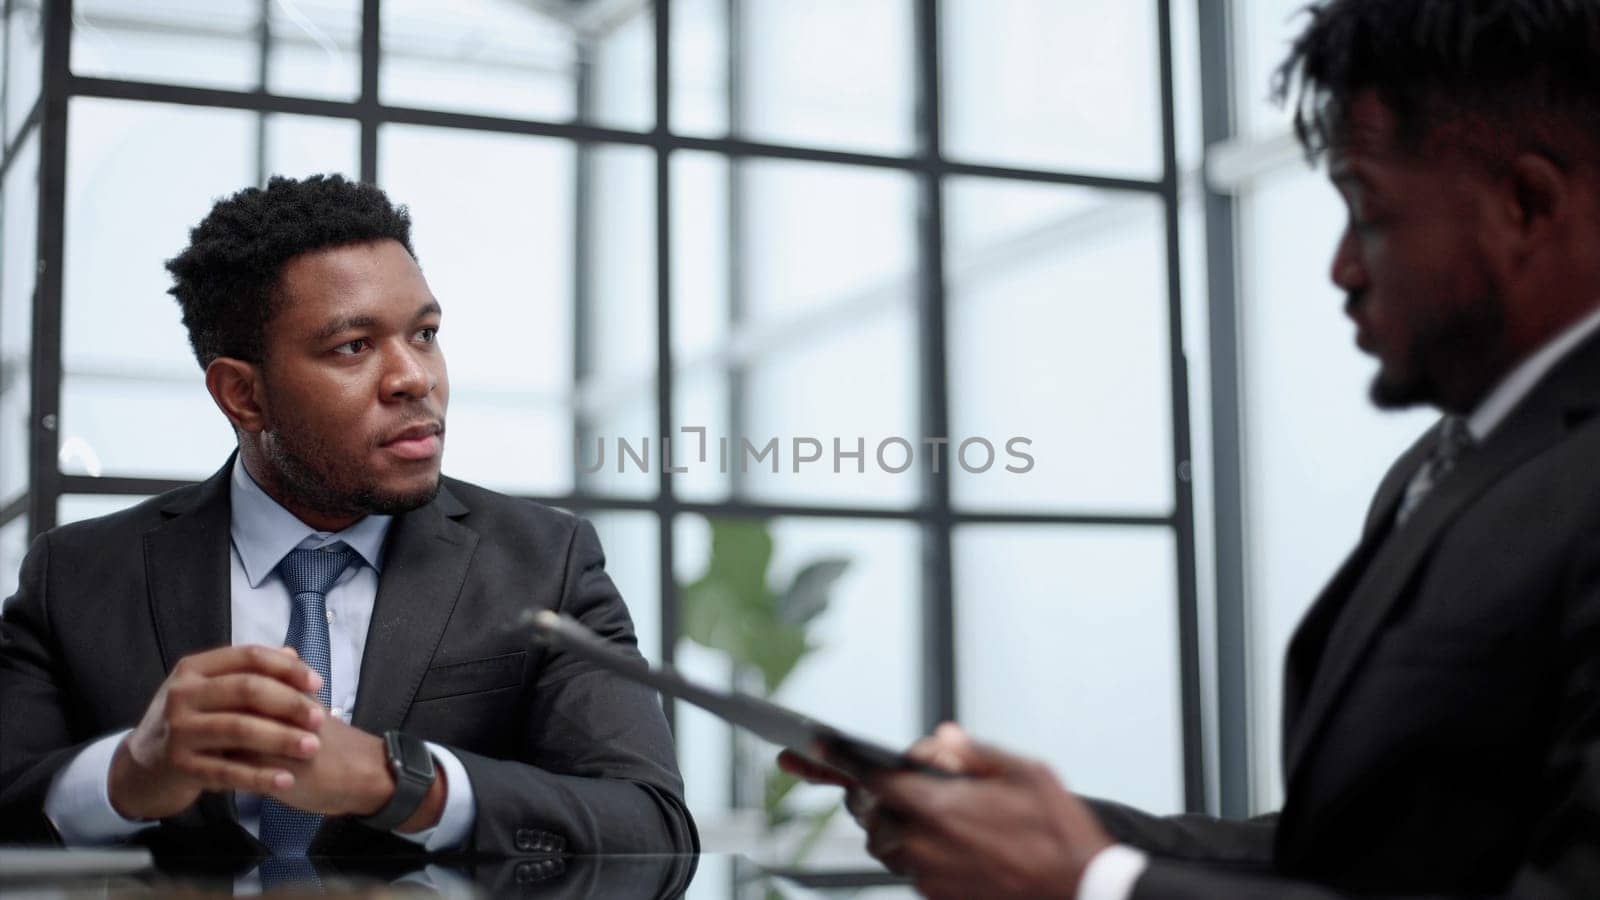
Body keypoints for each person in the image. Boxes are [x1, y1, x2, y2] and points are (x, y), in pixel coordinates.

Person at [783, 1, 1600, 896]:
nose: (1342, 266)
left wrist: (1095, 883)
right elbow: (1354, 856)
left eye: (1367, 210)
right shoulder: (1441, 468)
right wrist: (1055, 831)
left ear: (1528, 205)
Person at [0, 174, 696, 862]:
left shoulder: (545, 561)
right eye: (353, 347)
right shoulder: (79, 575)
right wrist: (124, 777)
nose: (413, 377)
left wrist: (395, 782)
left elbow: (650, 832)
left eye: (424, 334)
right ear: (242, 394)